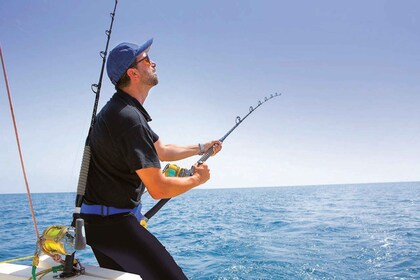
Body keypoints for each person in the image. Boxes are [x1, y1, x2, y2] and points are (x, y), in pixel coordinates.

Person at [80, 38, 222, 279]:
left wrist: (201, 147)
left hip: (98, 224)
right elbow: (158, 188)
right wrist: (198, 179)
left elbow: (162, 150)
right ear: (133, 73)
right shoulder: (129, 120)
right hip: (114, 226)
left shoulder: (122, 111)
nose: (153, 62)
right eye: (146, 59)